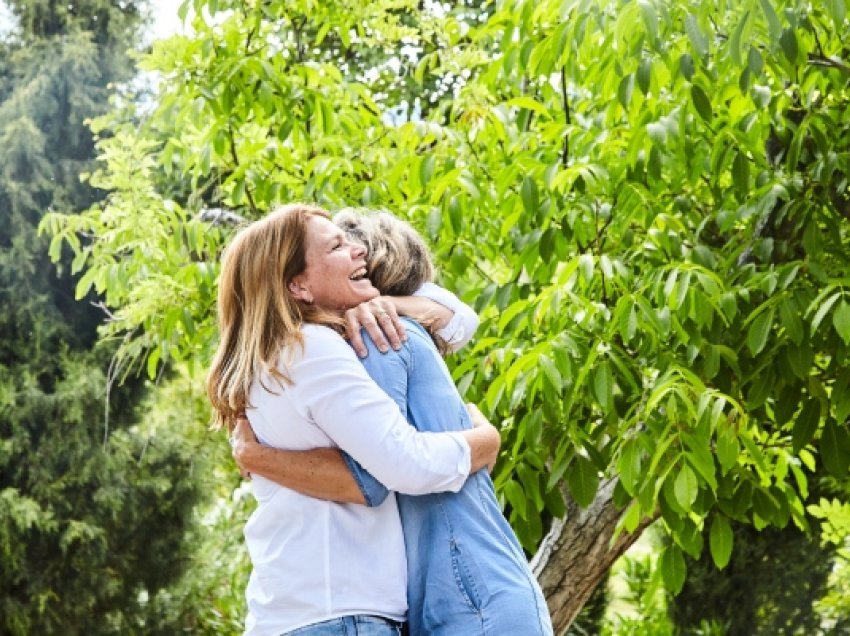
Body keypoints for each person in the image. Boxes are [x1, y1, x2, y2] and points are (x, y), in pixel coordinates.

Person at [233, 209, 554, 635]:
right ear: (299, 284)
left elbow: (458, 319)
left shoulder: (361, 338)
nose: (355, 250)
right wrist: (485, 440)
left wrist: (257, 457)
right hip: (423, 599)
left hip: (459, 596)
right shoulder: (352, 342)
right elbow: (388, 472)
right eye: (337, 246)